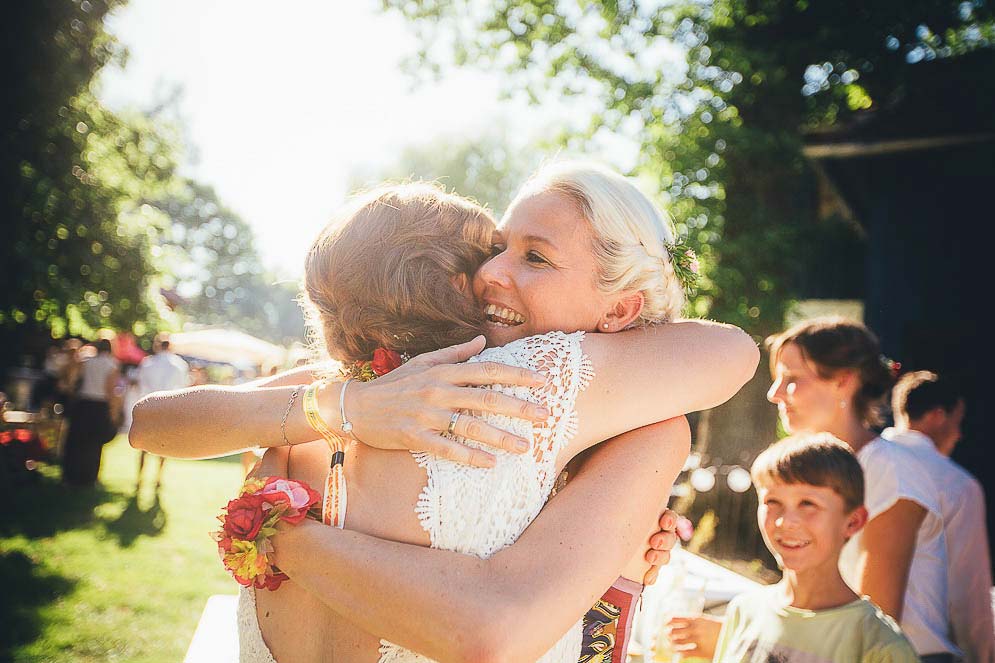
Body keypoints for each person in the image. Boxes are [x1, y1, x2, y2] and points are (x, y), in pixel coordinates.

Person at [131, 165, 759, 662]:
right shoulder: (529, 380)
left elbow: (149, 423)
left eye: (533, 257)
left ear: (622, 309)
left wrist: (272, 519)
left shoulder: (340, 391)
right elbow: (733, 350)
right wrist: (346, 412)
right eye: (493, 250)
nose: (491, 273)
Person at [668, 317, 955, 661]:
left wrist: (744, 638)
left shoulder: (891, 471)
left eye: (791, 379)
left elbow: (874, 617)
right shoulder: (803, 470)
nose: (774, 394)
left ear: (843, 382)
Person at [706, 433, 918, 662]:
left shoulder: (880, 646)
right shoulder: (744, 612)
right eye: (772, 502)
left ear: (853, 521)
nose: (784, 522)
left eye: (808, 504)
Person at [885, 371, 995, 663]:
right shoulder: (957, 485)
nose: (959, 435)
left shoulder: (858, 461)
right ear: (937, 416)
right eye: (957, 423)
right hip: (920, 650)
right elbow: (967, 588)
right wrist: (982, 656)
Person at [134, 337, 190, 491]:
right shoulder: (179, 365)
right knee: (164, 445)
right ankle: (158, 478)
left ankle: (140, 477)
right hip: (169, 408)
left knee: (143, 444)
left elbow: (140, 383)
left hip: (149, 406)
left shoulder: (148, 362)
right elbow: (183, 387)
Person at [62, 338, 120, 486]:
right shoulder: (111, 365)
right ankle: (89, 478)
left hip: (83, 404)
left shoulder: (87, 362)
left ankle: (70, 476)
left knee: (76, 442)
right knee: (94, 444)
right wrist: (114, 413)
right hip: (99, 406)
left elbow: (72, 376)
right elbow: (110, 391)